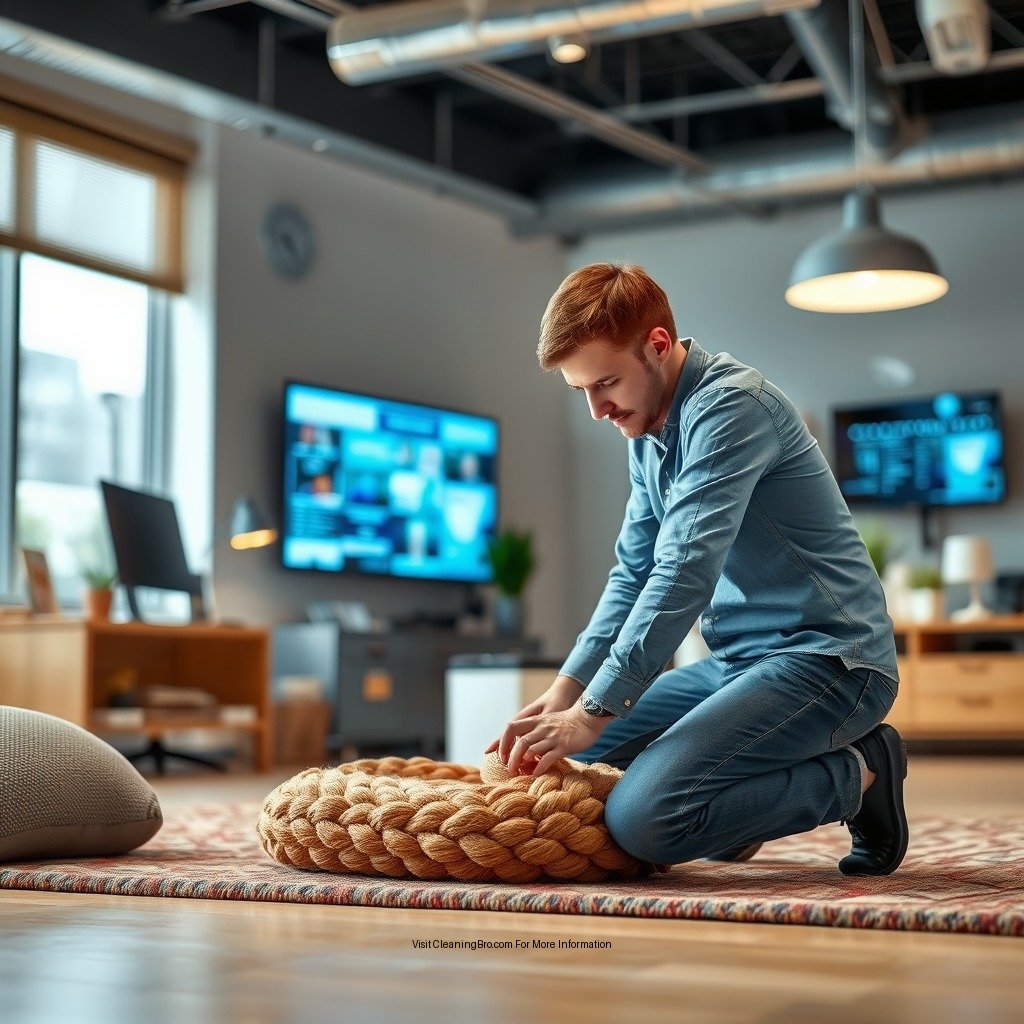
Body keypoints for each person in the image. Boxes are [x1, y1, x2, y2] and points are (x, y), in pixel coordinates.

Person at [485, 263, 909, 877]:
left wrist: (592, 711)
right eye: (582, 391)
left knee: (644, 818)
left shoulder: (733, 406)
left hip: (831, 662)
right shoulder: (645, 432)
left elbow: (682, 571)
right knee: (575, 764)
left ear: (658, 344)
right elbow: (634, 573)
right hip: (737, 666)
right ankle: (738, 806)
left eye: (606, 383)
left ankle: (862, 771)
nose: (597, 410)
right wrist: (566, 692)